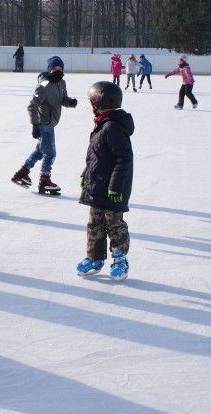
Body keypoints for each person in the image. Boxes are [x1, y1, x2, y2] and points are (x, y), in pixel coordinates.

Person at [77, 81, 133, 281]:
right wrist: (86, 174)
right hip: (97, 186)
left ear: (99, 103)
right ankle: (94, 258)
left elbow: (123, 160)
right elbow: (95, 157)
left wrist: (116, 186)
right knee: (95, 224)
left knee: (114, 225)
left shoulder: (112, 128)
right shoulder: (102, 125)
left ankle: (120, 259)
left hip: (112, 189)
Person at [11, 56, 78, 194]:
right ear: (49, 70)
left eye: (60, 69)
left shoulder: (62, 83)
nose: (58, 71)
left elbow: (62, 99)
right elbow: (32, 106)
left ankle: (22, 173)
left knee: (40, 151)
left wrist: (70, 102)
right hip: (43, 123)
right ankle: (44, 179)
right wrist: (35, 124)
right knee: (50, 153)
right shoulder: (44, 85)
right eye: (54, 69)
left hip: (51, 123)